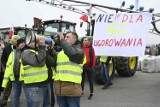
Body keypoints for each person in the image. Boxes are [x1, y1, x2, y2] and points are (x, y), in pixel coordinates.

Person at [54, 32, 85, 107]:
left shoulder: (79, 52)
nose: (65, 39)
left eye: (67, 37)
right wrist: (50, 49)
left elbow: (71, 53)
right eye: (65, 37)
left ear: (74, 39)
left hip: (72, 88)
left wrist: (62, 40)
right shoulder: (61, 53)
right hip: (60, 88)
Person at [20, 36, 51, 107]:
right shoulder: (26, 53)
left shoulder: (38, 50)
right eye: (33, 40)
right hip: (33, 86)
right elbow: (40, 62)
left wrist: (48, 49)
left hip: (44, 83)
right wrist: (42, 47)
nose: (36, 41)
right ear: (27, 43)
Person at [1, 38, 25, 107]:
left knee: (29, 97)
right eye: (21, 43)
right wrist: (4, 84)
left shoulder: (27, 52)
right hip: (15, 78)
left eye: (24, 42)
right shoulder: (12, 53)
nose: (23, 44)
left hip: (25, 79)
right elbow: (8, 67)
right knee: (15, 96)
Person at [45, 39, 57, 107]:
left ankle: (51, 104)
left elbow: (53, 63)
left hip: (49, 75)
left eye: (47, 43)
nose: (46, 45)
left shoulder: (52, 51)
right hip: (42, 75)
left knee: (50, 92)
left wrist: (47, 52)